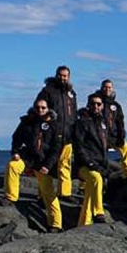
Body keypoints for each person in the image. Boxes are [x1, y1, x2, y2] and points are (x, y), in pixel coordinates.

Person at [1, 99, 63, 232]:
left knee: (48, 193)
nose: (40, 110)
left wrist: (47, 165)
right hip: (27, 158)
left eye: (43, 108)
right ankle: (11, 197)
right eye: (37, 107)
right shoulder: (26, 121)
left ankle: (56, 224)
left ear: (48, 109)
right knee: (12, 165)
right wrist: (16, 152)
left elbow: (56, 149)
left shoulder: (54, 125)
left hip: (43, 162)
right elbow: (16, 138)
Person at [36, 65, 78, 197]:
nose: (62, 78)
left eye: (65, 75)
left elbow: (74, 113)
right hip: (51, 134)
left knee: (65, 165)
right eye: (60, 75)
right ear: (56, 75)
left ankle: (65, 194)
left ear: (69, 77)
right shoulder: (48, 91)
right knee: (46, 164)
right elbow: (39, 108)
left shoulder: (71, 93)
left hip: (68, 134)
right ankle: (42, 195)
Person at [73, 93, 109, 226]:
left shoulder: (102, 123)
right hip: (84, 166)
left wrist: (104, 166)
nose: (96, 106)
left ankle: (83, 222)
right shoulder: (82, 122)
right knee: (96, 179)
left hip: (99, 165)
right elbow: (79, 147)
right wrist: (91, 164)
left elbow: (104, 147)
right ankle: (99, 212)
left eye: (98, 104)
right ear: (88, 105)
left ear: (102, 106)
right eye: (93, 103)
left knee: (90, 192)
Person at [97, 79, 127, 177]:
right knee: (95, 157)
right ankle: (83, 185)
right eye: (105, 87)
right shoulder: (96, 102)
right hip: (99, 136)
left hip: (113, 136)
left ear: (112, 89)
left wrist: (121, 137)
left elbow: (120, 122)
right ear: (101, 88)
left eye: (109, 87)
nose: (107, 89)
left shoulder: (116, 106)